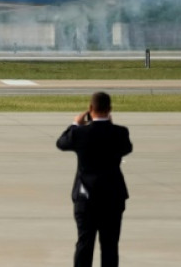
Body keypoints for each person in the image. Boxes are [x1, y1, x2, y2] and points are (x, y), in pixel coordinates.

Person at [56, 91, 133, 267]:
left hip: (86, 196)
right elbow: (127, 148)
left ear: (91, 109)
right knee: (110, 246)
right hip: (112, 196)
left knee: (84, 243)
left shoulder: (80, 133)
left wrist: (75, 124)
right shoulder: (120, 133)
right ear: (110, 109)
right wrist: (110, 126)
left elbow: (61, 143)